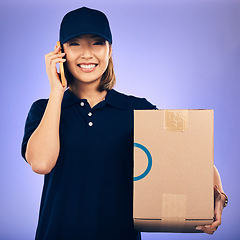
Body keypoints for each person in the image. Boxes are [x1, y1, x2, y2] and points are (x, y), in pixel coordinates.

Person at [21, 6, 228, 240]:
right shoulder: (43, 110)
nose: (87, 53)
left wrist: (219, 196)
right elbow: (41, 164)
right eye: (75, 43)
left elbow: (191, 158)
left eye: (97, 43)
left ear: (110, 50)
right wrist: (57, 92)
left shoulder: (136, 110)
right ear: (61, 51)